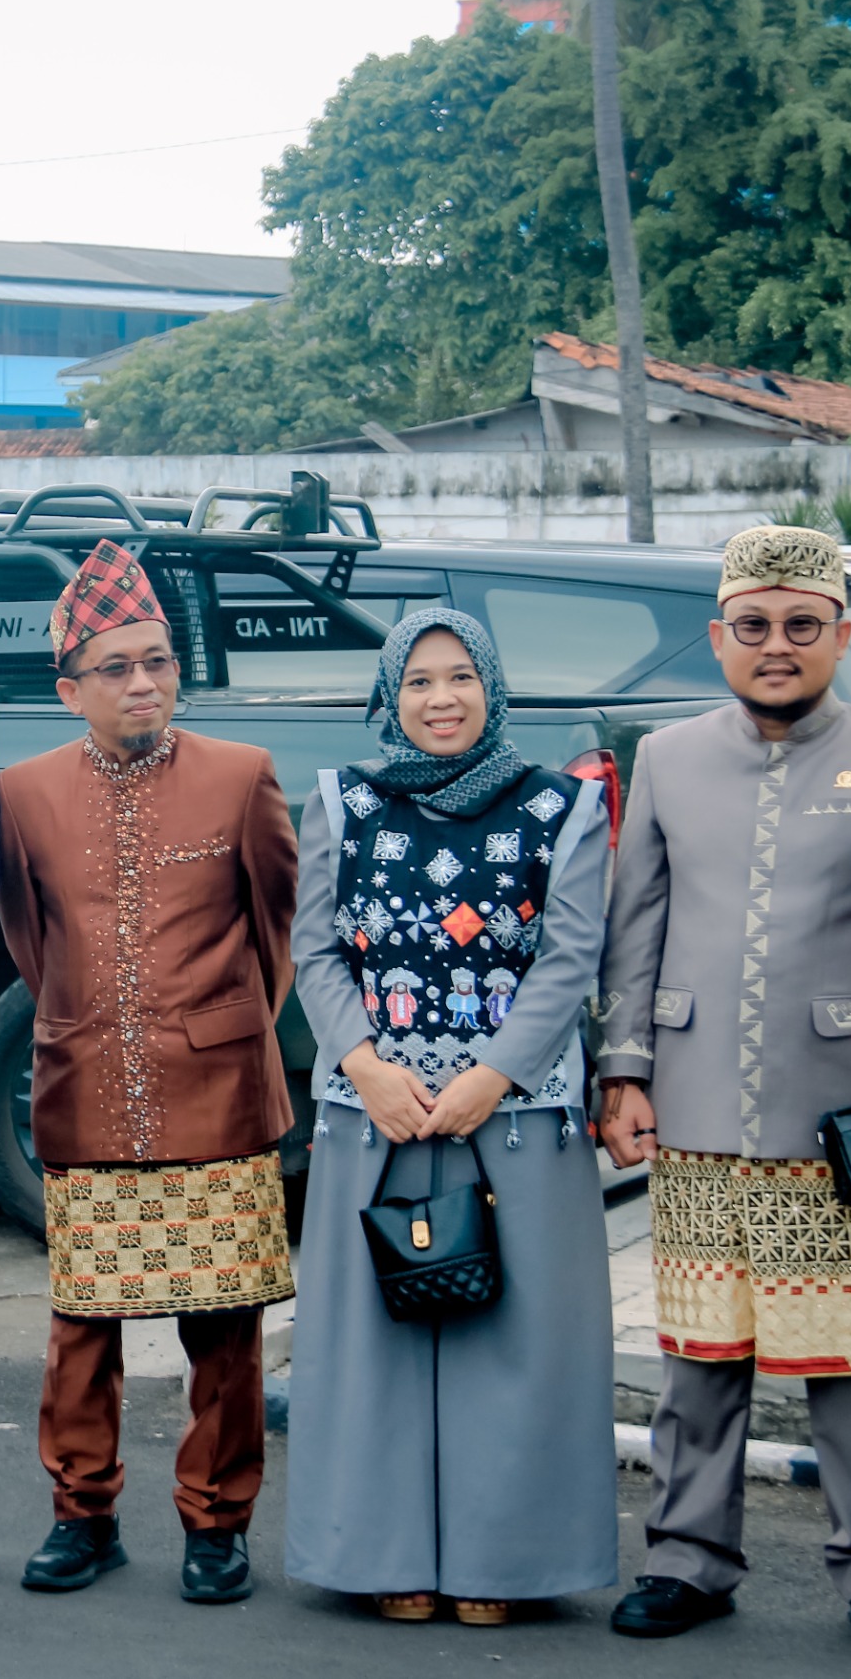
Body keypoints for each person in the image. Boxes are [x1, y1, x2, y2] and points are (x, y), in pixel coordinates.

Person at [595, 525, 851, 1662]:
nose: (775, 645)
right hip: (700, 1100)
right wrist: (622, 1070)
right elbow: (635, 930)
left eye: (801, 624)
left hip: (848, 1113)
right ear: (718, 637)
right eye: (752, 625)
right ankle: (687, 1559)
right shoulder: (665, 755)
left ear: (840, 637)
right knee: (699, 1355)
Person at [282, 608, 618, 1623]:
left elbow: (569, 955)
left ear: (494, 687)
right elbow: (316, 948)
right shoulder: (343, 802)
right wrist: (364, 1063)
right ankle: (383, 1553)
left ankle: (502, 1563)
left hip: (512, 1115)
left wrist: (494, 1073)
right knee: (369, 1343)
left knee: (513, 1341)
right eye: (419, 680)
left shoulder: (563, 807)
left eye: (461, 677)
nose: (441, 698)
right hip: (373, 1111)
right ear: (391, 695)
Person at [0, 540, 298, 1607]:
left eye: (158, 661)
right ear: (69, 686)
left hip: (216, 1093)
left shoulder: (241, 774)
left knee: (225, 1326)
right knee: (83, 1322)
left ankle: (217, 1522)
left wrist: (217, 1033)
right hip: (84, 1084)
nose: (142, 683)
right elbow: (32, 941)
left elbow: (276, 932)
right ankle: (83, 1516)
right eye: (116, 666)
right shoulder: (22, 794)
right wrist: (92, 1022)